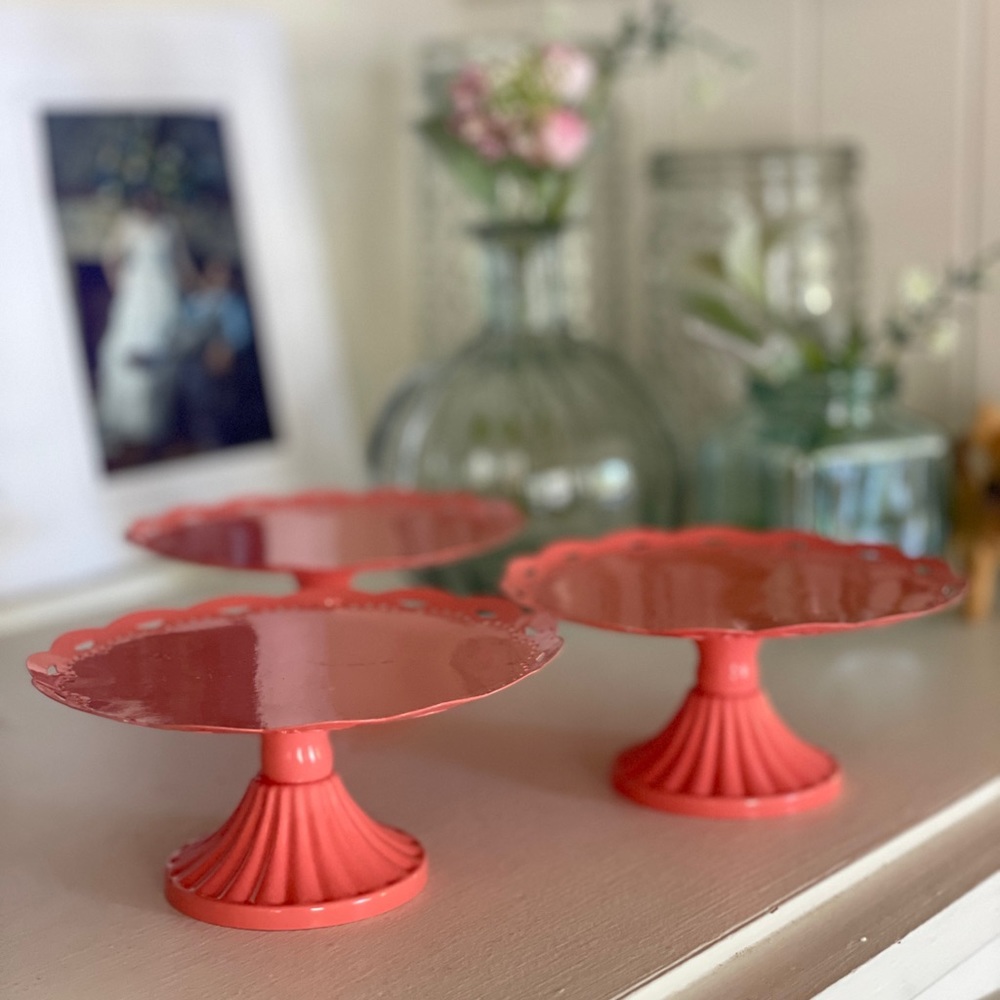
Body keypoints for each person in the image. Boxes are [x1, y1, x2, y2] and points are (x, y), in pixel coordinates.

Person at [94, 189, 193, 464]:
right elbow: (110, 257)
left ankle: (156, 427)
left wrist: (195, 286)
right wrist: (120, 285)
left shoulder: (170, 224)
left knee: (163, 352)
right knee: (124, 352)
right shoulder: (126, 222)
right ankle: (127, 425)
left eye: (155, 199)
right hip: (135, 292)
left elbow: (181, 262)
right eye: (146, 200)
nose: (151, 204)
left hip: (164, 292)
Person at [172, 257, 256, 449]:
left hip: (227, 359)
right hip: (196, 360)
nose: (221, 277)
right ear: (206, 274)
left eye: (225, 272)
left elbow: (241, 333)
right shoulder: (194, 302)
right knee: (192, 378)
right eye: (216, 271)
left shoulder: (234, 301)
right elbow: (185, 332)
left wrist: (227, 348)